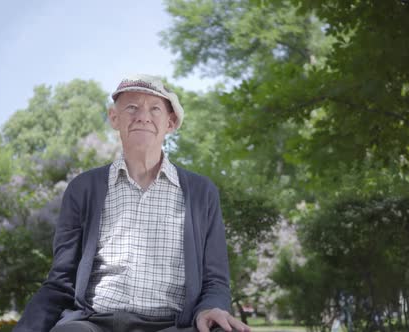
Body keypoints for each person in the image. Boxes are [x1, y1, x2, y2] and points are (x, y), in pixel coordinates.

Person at [14, 74, 250, 332]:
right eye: (131, 107)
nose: (142, 116)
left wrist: (210, 308)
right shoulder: (83, 188)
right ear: (114, 118)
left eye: (155, 109)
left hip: (172, 325)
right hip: (93, 323)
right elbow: (61, 281)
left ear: (170, 122)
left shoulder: (201, 192)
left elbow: (215, 280)